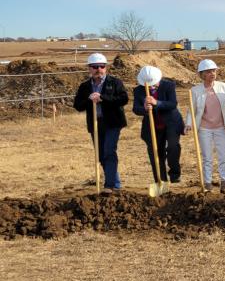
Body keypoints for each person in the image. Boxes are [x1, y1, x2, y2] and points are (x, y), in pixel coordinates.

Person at [73, 52, 128, 191]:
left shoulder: (115, 82)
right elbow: (77, 105)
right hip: (95, 124)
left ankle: (110, 185)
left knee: (109, 150)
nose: (99, 69)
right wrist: (89, 100)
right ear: (89, 68)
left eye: (102, 66)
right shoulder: (85, 86)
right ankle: (115, 182)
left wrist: (103, 98)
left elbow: (123, 99)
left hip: (112, 123)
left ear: (106, 68)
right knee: (101, 154)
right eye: (95, 66)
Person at [184, 59, 225, 193]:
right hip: (204, 128)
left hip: (221, 128)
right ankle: (207, 184)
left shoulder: (223, 87)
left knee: (223, 156)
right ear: (202, 74)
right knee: (207, 157)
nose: (212, 73)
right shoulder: (195, 90)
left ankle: (224, 184)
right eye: (208, 72)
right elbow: (192, 110)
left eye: (214, 71)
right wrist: (189, 124)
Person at [132, 65, 184, 185]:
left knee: (173, 147)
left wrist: (157, 103)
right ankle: (161, 181)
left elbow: (172, 104)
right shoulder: (138, 90)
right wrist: (144, 108)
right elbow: (136, 109)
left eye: (154, 83)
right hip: (152, 126)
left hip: (171, 123)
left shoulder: (169, 85)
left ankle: (175, 173)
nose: (152, 86)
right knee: (155, 153)